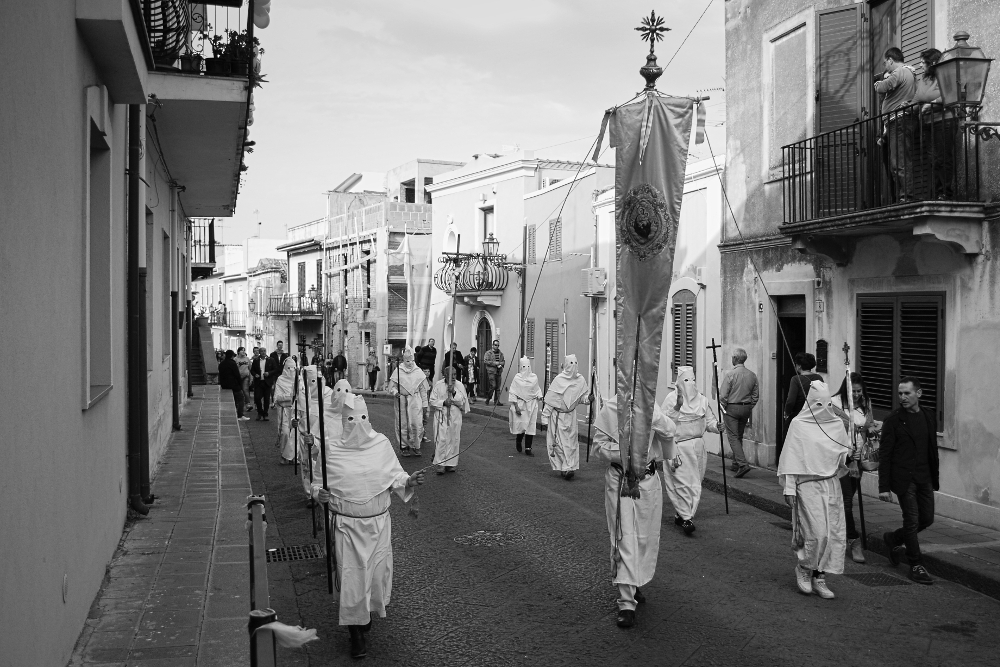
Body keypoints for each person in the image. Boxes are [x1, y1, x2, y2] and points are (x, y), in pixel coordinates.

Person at [312, 394, 425, 659]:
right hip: (347, 528)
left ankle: (364, 616)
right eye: (351, 419)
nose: (358, 424)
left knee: (375, 576)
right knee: (352, 579)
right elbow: (317, 483)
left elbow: (394, 474)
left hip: (377, 526)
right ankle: (356, 632)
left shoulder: (381, 444)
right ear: (343, 421)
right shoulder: (331, 449)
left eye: (363, 418)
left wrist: (409, 481)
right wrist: (320, 494)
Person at [591, 395, 675, 628]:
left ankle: (634, 581)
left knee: (644, 539)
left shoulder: (653, 407)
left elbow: (669, 432)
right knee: (624, 538)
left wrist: (652, 415)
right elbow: (599, 448)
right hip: (620, 482)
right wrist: (627, 455)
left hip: (648, 483)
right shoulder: (610, 407)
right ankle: (626, 602)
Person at [778, 380, 850, 599]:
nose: (823, 409)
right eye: (818, 404)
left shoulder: (837, 425)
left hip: (830, 484)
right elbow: (792, 458)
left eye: (827, 404)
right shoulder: (799, 425)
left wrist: (851, 456)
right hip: (806, 486)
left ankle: (820, 576)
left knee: (831, 533)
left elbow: (841, 457)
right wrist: (789, 489)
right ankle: (804, 568)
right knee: (816, 533)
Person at [879, 377, 938, 585]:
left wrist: (934, 475)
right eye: (900, 393)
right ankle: (916, 564)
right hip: (905, 479)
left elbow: (931, 449)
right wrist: (884, 487)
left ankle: (894, 539)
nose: (902, 397)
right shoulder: (893, 420)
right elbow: (885, 454)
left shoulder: (929, 416)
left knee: (927, 519)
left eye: (907, 393)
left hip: (925, 477)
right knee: (911, 521)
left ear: (918, 394)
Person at [662, 367, 719, 534]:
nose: (690, 383)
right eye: (686, 380)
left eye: (692, 379)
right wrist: (678, 406)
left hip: (698, 448)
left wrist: (717, 427)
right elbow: (665, 423)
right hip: (679, 447)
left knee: (695, 484)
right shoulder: (671, 400)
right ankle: (687, 518)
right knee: (682, 483)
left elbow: (709, 422)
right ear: (679, 382)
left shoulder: (702, 400)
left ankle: (682, 514)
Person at [831, 372, 877, 564]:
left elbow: (870, 425)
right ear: (846, 389)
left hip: (859, 462)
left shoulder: (866, 404)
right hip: (840, 460)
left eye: (859, 391)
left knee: (845, 501)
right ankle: (854, 540)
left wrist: (871, 429)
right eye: (853, 391)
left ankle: (836, 535)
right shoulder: (833, 404)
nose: (857, 394)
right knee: (847, 501)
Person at [875, 47, 917, 202]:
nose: (886, 66)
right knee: (898, 162)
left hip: (899, 121)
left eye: (886, 63)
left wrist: (877, 83)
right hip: (898, 121)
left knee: (900, 162)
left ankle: (906, 197)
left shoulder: (900, 72)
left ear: (891, 60)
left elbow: (884, 86)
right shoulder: (909, 73)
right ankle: (903, 196)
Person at [541, 354, 590, 480]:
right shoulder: (558, 380)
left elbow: (581, 399)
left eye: (575, 363)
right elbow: (550, 402)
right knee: (558, 443)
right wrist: (545, 418)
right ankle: (564, 467)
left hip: (571, 417)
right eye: (571, 363)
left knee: (571, 443)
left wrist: (588, 399)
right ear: (566, 365)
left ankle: (569, 467)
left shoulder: (580, 380)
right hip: (558, 418)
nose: (573, 366)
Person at [914, 48, 953, 199]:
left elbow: (950, 95)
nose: (920, 64)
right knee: (933, 159)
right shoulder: (924, 79)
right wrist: (905, 106)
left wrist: (932, 103)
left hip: (944, 120)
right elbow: (917, 98)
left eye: (923, 62)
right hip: (927, 123)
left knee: (943, 158)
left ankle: (945, 192)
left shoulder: (944, 75)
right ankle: (937, 192)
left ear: (932, 62)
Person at [718, 348, 758, 478]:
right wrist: (749, 406)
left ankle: (742, 464)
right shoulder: (752, 375)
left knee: (733, 436)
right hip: (746, 408)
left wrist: (723, 407)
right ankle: (736, 463)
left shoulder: (731, 374)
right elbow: (755, 395)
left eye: (732, 357)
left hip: (732, 407)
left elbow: (723, 395)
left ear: (735, 359)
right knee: (739, 435)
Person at [386, 347, 428, 457]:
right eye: (407, 361)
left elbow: (423, 390)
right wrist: (396, 393)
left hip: (415, 399)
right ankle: (404, 446)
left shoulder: (418, 372)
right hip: (402, 400)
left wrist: (425, 404)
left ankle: (416, 445)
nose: (410, 363)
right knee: (402, 423)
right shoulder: (398, 371)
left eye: (412, 360)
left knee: (416, 423)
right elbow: (391, 387)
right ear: (404, 360)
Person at [429, 367, 470, 474]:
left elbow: (463, 402)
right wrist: (443, 402)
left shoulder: (459, 385)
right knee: (441, 439)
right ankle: (441, 464)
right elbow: (432, 400)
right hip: (441, 417)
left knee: (453, 439)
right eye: (450, 375)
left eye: (455, 374)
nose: (453, 377)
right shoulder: (438, 385)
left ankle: (451, 464)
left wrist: (454, 393)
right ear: (445, 375)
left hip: (455, 416)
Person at [509, 357, 542, 456]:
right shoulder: (517, 378)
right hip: (521, 404)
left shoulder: (534, 377)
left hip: (532, 404)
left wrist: (540, 397)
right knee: (523, 425)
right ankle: (518, 440)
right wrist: (516, 406)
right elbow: (513, 392)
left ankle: (528, 448)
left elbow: (537, 389)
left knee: (530, 426)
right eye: (524, 366)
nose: (526, 369)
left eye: (528, 366)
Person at [783, 352, 823, 428]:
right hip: (815, 415)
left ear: (799, 366)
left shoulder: (796, 379)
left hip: (799, 415)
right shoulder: (819, 378)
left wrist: (787, 412)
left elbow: (790, 400)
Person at [273, 356, 300, 466]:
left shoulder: (299, 380)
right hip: (285, 411)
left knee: (296, 433)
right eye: (289, 368)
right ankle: (284, 455)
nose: (291, 371)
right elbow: (277, 398)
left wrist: (291, 399)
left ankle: (295, 456)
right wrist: (290, 398)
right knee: (285, 433)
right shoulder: (280, 380)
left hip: (296, 411)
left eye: (293, 368)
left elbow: (301, 397)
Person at [218, 350, 248, 421]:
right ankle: (240, 415)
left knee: (232, 400)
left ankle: (231, 414)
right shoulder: (232, 363)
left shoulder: (222, 364)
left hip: (225, 385)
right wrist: (240, 384)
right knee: (241, 398)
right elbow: (237, 374)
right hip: (234, 384)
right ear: (232, 356)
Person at [483, 339, 505, 406]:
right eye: (495, 345)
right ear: (493, 345)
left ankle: (496, 401)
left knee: (498, 388)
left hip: (499, 371)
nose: (497, 346)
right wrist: (495, 363)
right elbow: (485, 361)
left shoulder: (500, 354)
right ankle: (488, 399)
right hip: (491, 372)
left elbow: (503, 361)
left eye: (498, 345)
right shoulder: (488, 353)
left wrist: (500, 364)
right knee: (493, 386)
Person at [263, 345, 282, 419]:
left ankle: (275, 401)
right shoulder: (272, 354)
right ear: (277, 346)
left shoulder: (284, 354)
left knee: (278, 387)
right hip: (273, 374)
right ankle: (273, 401)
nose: (280, 346)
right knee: (272, 388)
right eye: (279, 345)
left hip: (280, 373)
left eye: (281, 345)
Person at [251, 347, 271, 421]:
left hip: (267, 382)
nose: (263, 352)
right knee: (257, 398)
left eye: (264, 351)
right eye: (262, 351)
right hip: (258, 382)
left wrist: (269, 373)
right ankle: (260, 412)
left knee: (266, 399)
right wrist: (255, 374)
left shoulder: (270, 360)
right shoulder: (256, 360)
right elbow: (252, 370)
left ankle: (265, 414)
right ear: (259, 352)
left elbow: (275, 369)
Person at [236, 346, 253, 413]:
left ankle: (248, 404)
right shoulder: (235, 359)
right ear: (238, 352)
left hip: (246, 376)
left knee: (245, 389)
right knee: (238, 391)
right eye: (242, 350)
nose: (243, 352)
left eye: (244, 350)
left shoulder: (247, 359)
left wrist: (251, 377)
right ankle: (238, 404)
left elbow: (250, 368)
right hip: (238, 377)